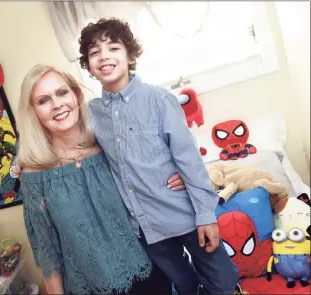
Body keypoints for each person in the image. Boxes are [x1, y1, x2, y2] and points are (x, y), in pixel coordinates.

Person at [78, 17, 238, 294]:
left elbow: (188, 159)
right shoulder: (92, 113)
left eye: (113, 48)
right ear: (89, 67)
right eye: (95, 52)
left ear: (130, 56)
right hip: (145, 225)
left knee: (223, 280)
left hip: (183, 213)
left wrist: (205, 214)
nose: (104, 56)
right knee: (185, 283)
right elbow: (70, 145)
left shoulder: (158, 100)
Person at [14, 64, 186, 294]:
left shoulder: (109, 145)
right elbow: (48, 253)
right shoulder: (33, 176)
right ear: (33, 112)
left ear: (76, 95)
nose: (57, 104)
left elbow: (153, 166)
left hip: (150, 275)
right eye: (43, 100)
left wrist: (181, 176)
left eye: (62, 92)